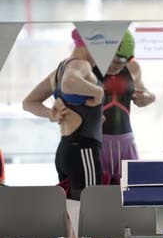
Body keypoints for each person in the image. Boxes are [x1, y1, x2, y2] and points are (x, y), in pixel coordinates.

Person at [89, 29, 156, 238]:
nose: (117, 66)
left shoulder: (134, 68)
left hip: (127, 144)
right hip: (98, 144)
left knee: (122, 222)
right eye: (114, 61)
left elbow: (146, 93)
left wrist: (148, 97)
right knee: (97, 222)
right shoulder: (88, 68)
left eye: (122, 61)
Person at [23, 29, 104, 201]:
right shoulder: (81, 64)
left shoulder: (58, 71)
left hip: (65, 151)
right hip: (84, 151)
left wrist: (50, 114)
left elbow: (28, 102)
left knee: (72, 210)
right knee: (90, 208)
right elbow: (69, 82)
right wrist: (98, 92)